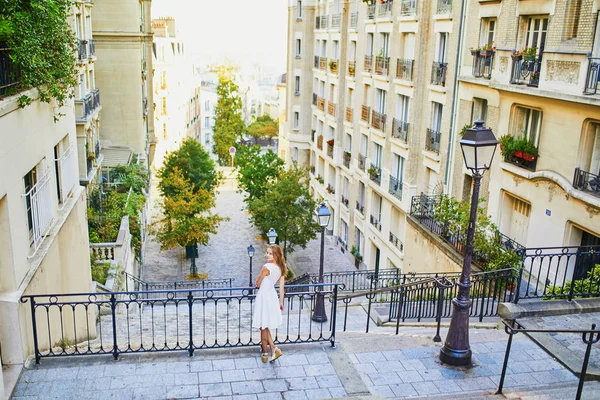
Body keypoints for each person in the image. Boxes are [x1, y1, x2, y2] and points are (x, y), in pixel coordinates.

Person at [252, 244, 286, 363]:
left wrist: (257, 284)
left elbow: (258, 281)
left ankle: (271, 350)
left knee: (263, 325)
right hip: (272, 296)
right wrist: (281, 302)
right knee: (264, 325)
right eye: (267, 252)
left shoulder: (267, 267)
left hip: (264, 296)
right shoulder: (281, 268)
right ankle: (267, 352)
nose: (267, 255)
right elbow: (281, 287)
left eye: (270, 253)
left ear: (276, 255)